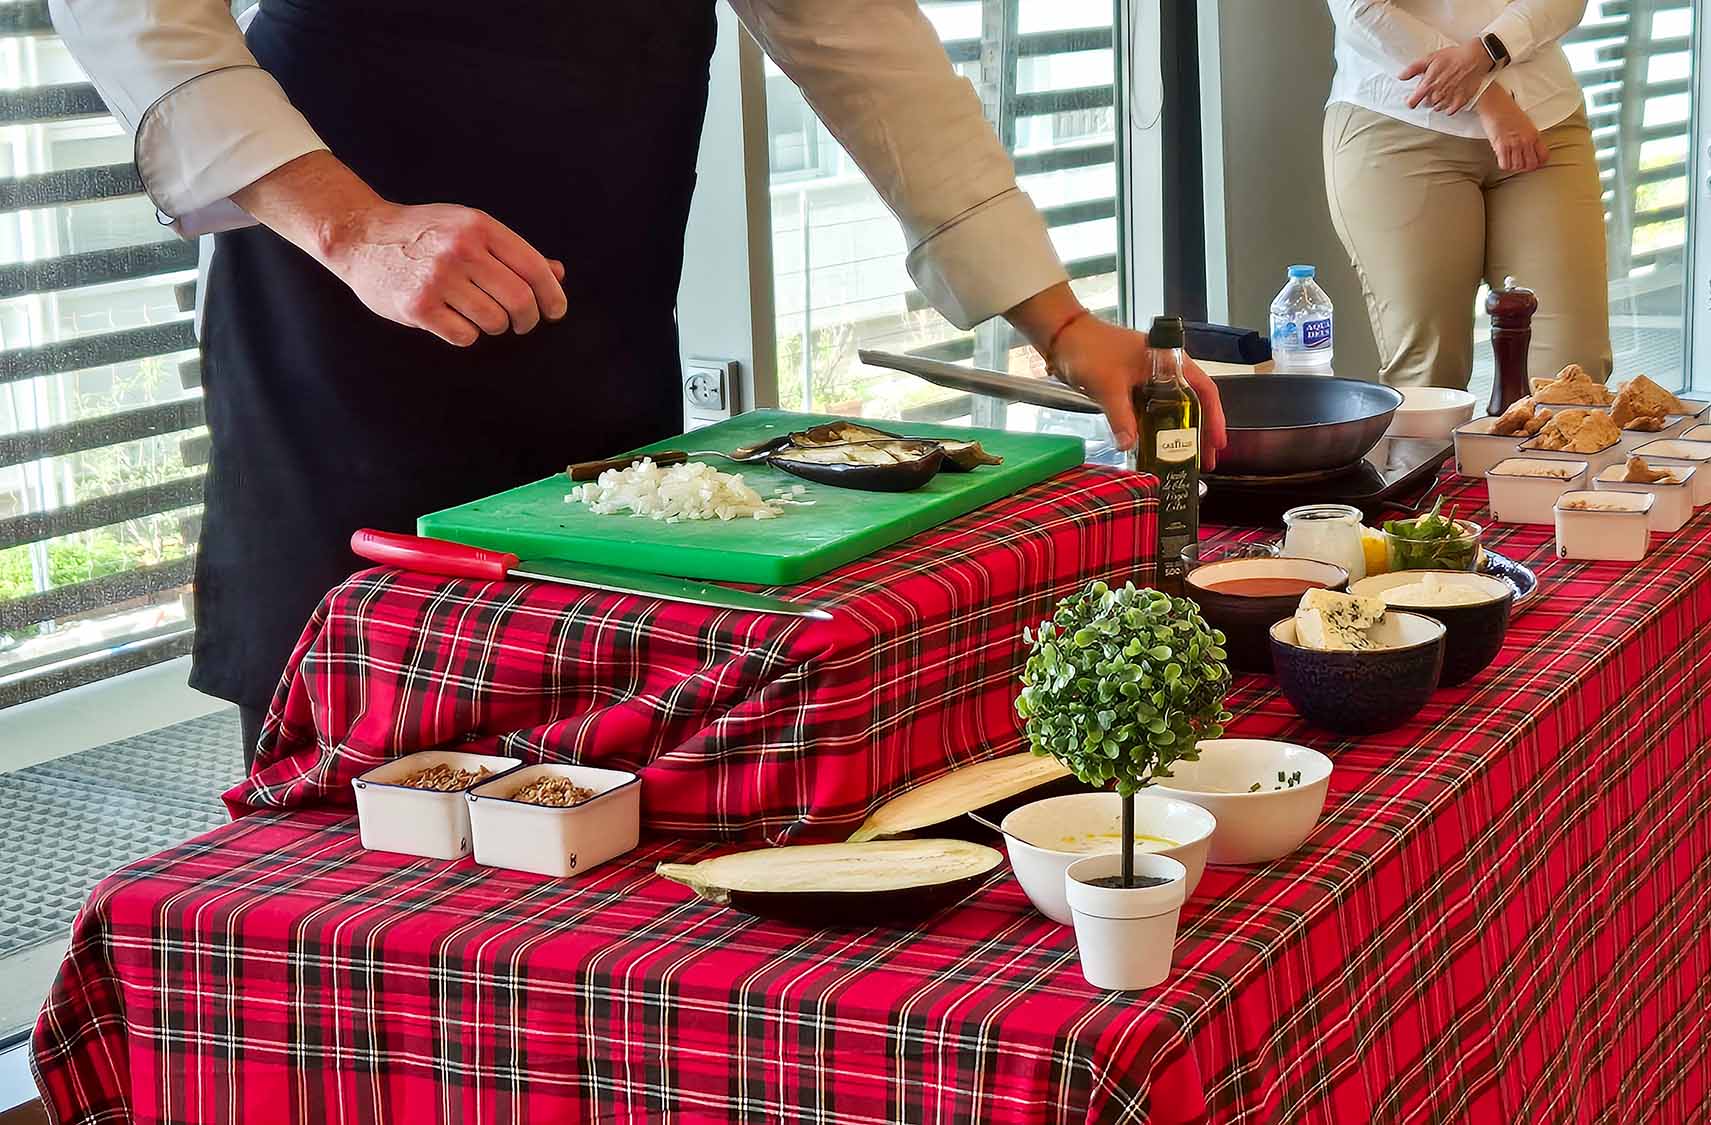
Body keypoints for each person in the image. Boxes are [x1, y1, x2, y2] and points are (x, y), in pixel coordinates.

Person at [51, 0, 1228, 766]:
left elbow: (855, 30)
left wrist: (1059, 322)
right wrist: (350, 226)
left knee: (598, 747)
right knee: (357, 770)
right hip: (341, 283)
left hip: (597, 280)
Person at [1322, 0, 1612, 390]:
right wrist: (1485, 96)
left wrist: (1489, 50)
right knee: (1430, 373)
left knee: (1572, 373)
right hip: (1400, 124)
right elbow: (1359, 9)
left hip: (1544, 118)